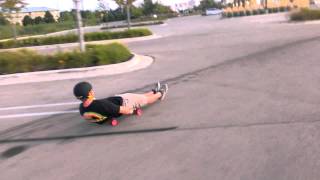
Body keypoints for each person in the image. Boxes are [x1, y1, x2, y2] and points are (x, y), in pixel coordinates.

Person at [73, 81, 168, 124]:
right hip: (124, 102)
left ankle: (153, 91)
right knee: (144, 100)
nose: (93, 91)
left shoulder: (82, 109)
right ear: (89, 93)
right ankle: (160, 94)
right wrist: (132, 110)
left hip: (113, 104)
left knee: (139, 96)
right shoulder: (102, 104)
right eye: (91, 90)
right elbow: (125, 111)